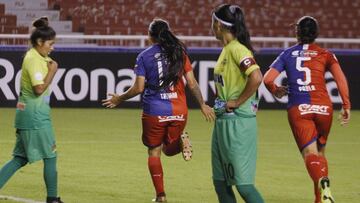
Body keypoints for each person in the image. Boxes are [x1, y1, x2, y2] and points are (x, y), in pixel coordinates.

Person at [102, 18, 215, 202]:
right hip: (179, 110)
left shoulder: (144, 56)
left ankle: (160, 196)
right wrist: (202, 104)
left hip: (154, 111)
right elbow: (192, 83)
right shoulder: (179, 52)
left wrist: (119, 98)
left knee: (155, 152)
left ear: (150, 36)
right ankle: (180, 142)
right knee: (168, 149)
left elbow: (138, 88)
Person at [263, 16, 351, 203]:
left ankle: (323, 183)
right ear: (316, 34)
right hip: (323, 107)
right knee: (320, 154)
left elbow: (268, 79)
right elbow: (340, 79)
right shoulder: (326, 54)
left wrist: (275, 90)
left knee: (310, 156)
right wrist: (346, 105)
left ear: (297, 33)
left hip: (300, 108)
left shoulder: (287, 54)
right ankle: (320, 199)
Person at [0, 17, 63, 203]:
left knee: (20, 158)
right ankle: (53, 199)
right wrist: (52, 72)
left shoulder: (39, 56)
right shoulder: (34, 59)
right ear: (39, 42)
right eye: (50, 44)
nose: (53, 47)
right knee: (51, 155)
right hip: (35, 117)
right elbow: (38, 89)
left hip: (27, 115)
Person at [210, 4, 264, 203]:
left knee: (244, 186)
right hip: (223, 122)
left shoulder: (238, 50)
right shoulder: (227, 50)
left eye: (213, 20)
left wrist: (236, 101)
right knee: (220, 183)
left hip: (238, 124)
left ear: (219, 25)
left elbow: (256, 77)